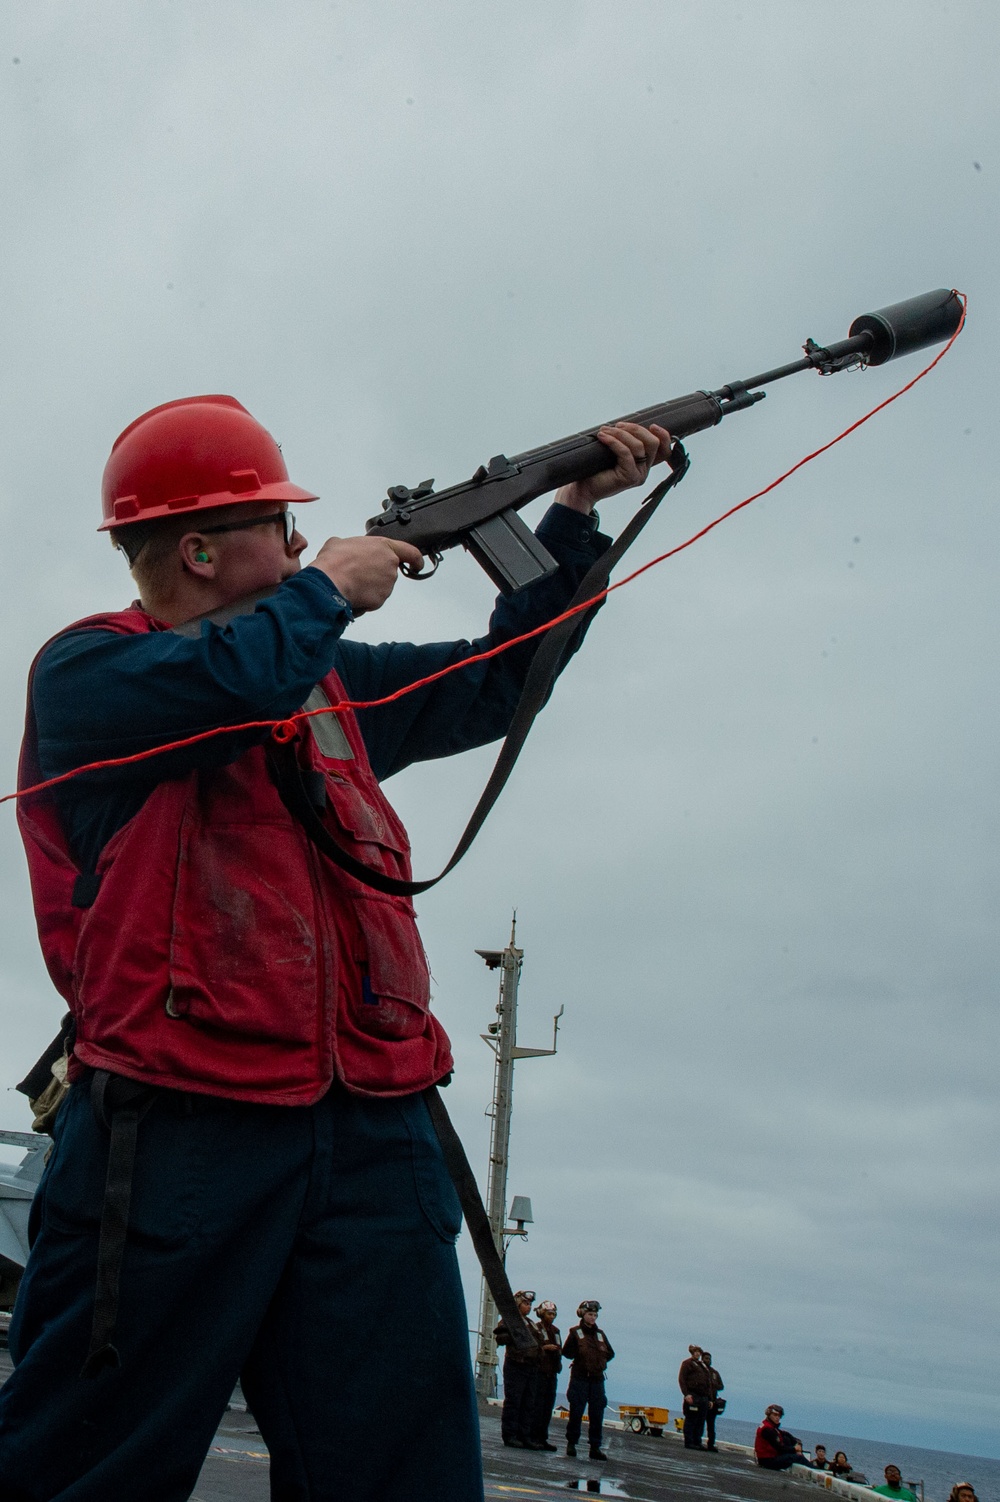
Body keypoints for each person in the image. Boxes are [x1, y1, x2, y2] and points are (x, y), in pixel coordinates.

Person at [0, 393, 673, 1502]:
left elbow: (503, 681)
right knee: (87, 1463)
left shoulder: (329, 679)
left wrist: (571, 519)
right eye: (276, 520)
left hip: (374, 1126)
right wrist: (326, 593)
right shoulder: (90, 676)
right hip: (176, 1127)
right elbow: (224, 682)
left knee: (401, 1474)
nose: (304, 540)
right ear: (202, 548)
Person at [562, 1300, 615, 1461]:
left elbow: (611, 1353)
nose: (593, 1318)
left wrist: (600, 1362)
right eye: (590, 1314)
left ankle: (595, 1447)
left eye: (595, 1315)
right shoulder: (575, 1332)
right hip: (580, 1379)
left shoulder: (600, 1335)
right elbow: (567, 1352)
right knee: (576, 1412)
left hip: (597, 1380)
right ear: (582, 1314)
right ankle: (571, 1444)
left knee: (597, 1414)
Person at [495, 1290, 543, 1449]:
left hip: (530, 1367)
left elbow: (539, 1342)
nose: (528, 1307)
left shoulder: (531, 1323)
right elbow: (500, 1338)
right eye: (526, 1304)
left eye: (530, 1305)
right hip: (516, 1365)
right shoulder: (509, 1320)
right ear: (517, 1304)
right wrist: (515, 1335)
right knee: (514, 1402)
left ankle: (524, 1435)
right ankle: (510, 1435)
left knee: (528, 1403)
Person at [530, 1299, 562, 1451]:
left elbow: (560, 1348)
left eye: (553, 1313)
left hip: (552, 1373)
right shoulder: (536, 1329)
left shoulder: (556, 1331)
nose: (552, 1316)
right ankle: (533, 1437)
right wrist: (544, 1348)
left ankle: (542, 1438)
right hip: (539, 1372)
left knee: (547, 1407)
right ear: (542, 1314)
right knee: (537, 1406)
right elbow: (532, 1347)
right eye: (549, 1313)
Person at [678, 1344, 713, 1450]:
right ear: (692, 1352)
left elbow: (708, 1383)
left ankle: (697, 1441)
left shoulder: (703, 1366)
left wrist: (710, 1399)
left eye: (699, 1352)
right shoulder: (687, 1363)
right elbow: (682, 1379)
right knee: (691, 1419)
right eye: (696, 1351)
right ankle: (689, 1441)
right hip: (693, 1395)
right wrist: (686, 1394)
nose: (697, 1353)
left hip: (703, 1397)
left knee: (700, 1421)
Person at [754, 1404, 804, 1470]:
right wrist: (794, 1449)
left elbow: (785, 1434)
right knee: (799, 1458)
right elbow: (780, 1448)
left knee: (786, 1439)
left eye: (779, 1416)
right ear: (769, 1415)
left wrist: (797, 1443)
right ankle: (816, 1468)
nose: (777, 1418)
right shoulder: (767, 1429)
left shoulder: (772, 1427)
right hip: (767, 1461)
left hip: (768, 1459)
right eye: (775, 1415)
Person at [701, 1349, 724, 1452]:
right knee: (699, 1423)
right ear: (702, 1359)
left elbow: (721, 1386)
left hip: (713, 1402)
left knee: (711, 1425)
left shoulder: (714, 1373)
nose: (708, 1360)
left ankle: (711, 1444)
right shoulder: (700, 1370)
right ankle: (697, 1441)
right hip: (703, 1400)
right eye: (706, 1358)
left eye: (709, 1359)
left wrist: (713, 1385)